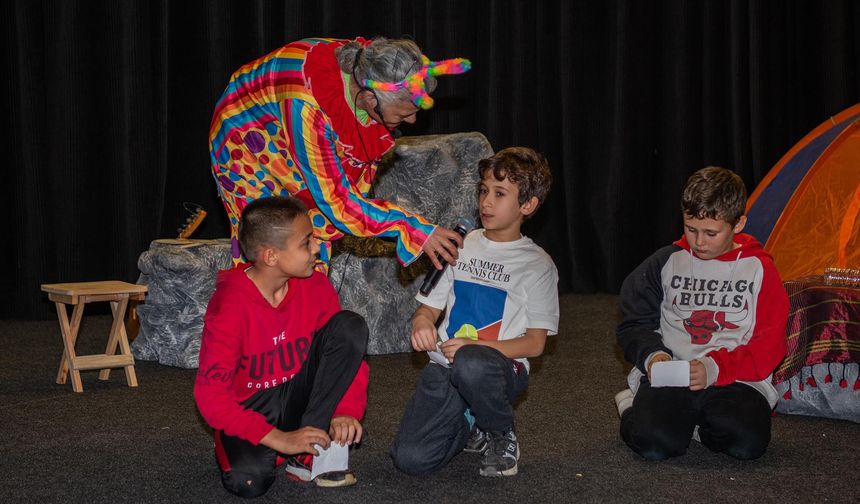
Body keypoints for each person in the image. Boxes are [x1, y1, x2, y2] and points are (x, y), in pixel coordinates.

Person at [208, 36, 471, 271]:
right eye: (405, 114)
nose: (413, 121)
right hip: (246, 140)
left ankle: (308, 313)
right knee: (272, 245)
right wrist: (412, 228)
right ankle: (257, 315)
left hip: (291, 128)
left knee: (311, 242)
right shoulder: (308, 107)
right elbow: (337, 203)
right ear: (369, 99)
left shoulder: (375, 65)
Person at [390, 147, 559, 477]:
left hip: (498, 369)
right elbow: (427, 310)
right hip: (446, 366)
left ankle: (499, 432)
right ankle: (473, 422)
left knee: (472, 364)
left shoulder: (537, 264)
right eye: (483, 191)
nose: (486, 202)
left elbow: (535, 344)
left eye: (500, 194)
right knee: (411, 460)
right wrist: (422, 323)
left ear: (528, 205)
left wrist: (476, 348)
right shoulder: (460, 243)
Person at [193, 196, 370, 498]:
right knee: (248, 483)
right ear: (271, 256)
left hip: (297, 393)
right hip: (251, 406)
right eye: (306, 243)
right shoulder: (230, 305)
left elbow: (346, 355)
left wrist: (344, 410)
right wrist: (279, 440)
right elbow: (209, 397)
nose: (317, 248)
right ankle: (281, 446)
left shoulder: (315, 285)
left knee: (350, 326)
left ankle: (307, 449)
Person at [614, 166, 789, 461]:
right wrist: (654, 356)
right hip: (674, 372)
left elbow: (770, 345)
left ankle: (694, 422)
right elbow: (634, 323)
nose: (699, 242)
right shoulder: (666, 261)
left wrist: (715, 368)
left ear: (739, 223)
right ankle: (633, 404)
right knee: (655, 445)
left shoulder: (761, 269)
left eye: (711, 233)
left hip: (737, 377)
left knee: (745, 445)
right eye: (691, 229)